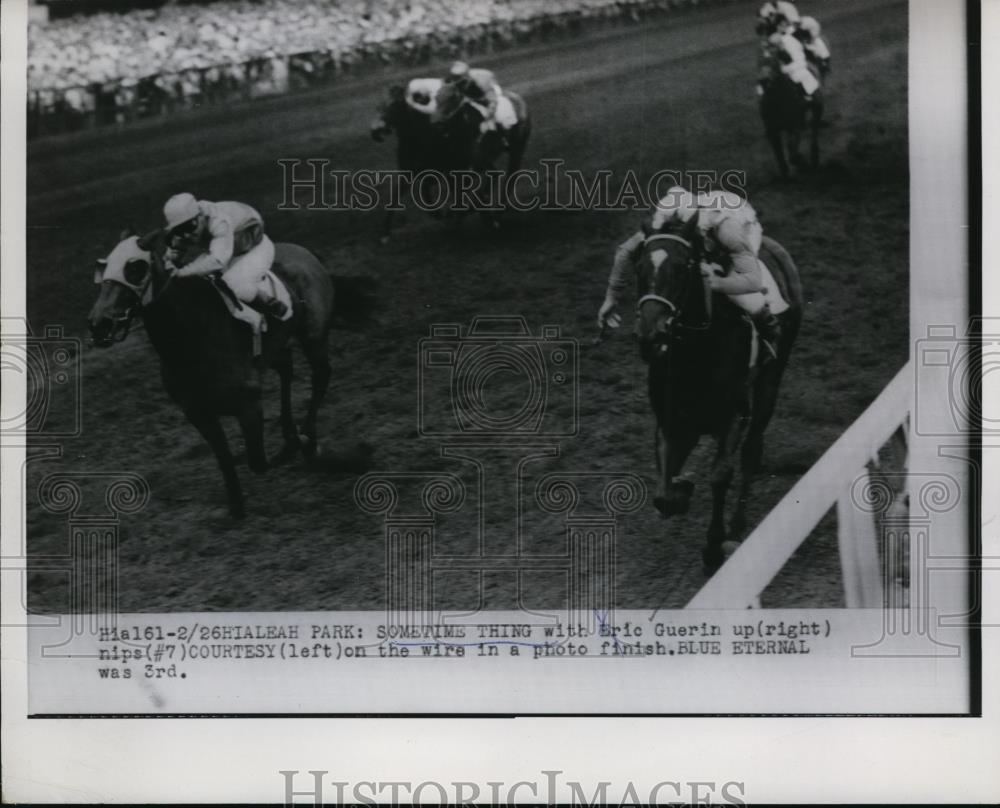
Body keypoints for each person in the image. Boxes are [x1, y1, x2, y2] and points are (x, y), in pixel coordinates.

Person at [597, 187, 782, 361]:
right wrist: (611, 298)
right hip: (702, 226)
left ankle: (769, 330)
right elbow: (625, 252)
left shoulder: (727, 229)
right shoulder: (667, 219)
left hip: (742, 224)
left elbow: (753, 280)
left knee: (736, 293)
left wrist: (717, 282)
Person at [161, 193, 290, 323]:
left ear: (200, 216)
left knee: (237, 286)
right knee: (201, 282)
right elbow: (172, 255)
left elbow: (217, 261)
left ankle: (278, 311)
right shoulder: (188, 223)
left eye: (190, 227)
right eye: (179, 230)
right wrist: (169, 262)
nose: (186, 235)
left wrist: (181, 272)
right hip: (224, 248)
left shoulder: (218, 220)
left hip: (252, 247)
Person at [442, 60, 517, 133]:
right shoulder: (449, 81)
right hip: (471, 94)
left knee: (501, 117)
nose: (458, 85)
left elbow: (492, 102)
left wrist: (487, 120)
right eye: (455, 81)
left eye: (461, 83)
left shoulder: (481, 82)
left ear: (468, 79)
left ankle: (504, 136)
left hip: (488, 90)